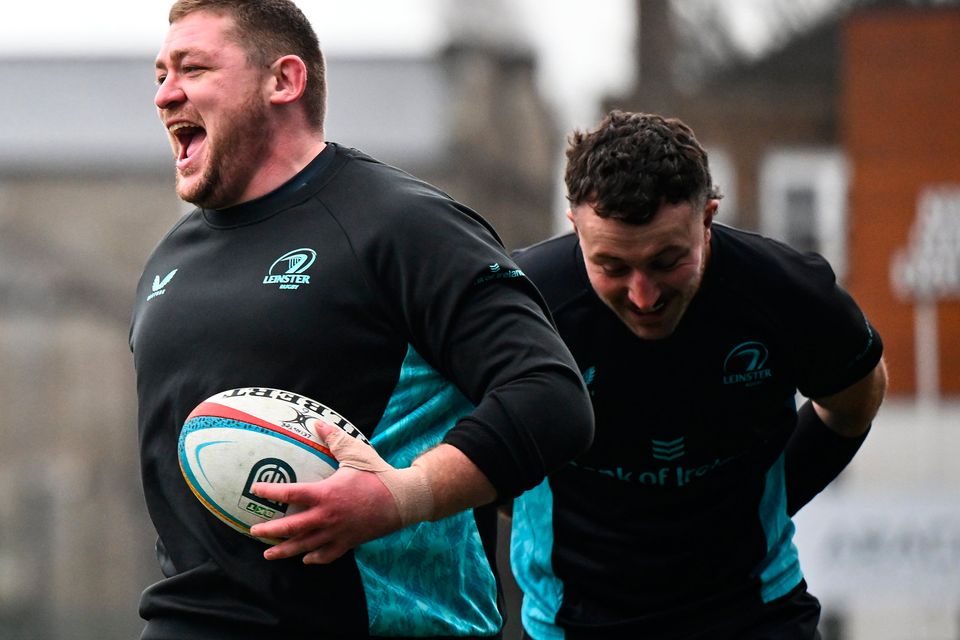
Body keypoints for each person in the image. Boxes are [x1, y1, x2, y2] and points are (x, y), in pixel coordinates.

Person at [129, 1, 594, 638]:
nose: (166, 93)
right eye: (160, 74)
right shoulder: (166, 263)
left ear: (283, 81)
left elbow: (552, 398)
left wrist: (399, 497)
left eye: (194, 67)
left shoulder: (405, 227)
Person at [509, 110, 888, 639]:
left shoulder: (785, 292)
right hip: (575, 621)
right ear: (575, 228)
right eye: (613, 266)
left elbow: (857, 398)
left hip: (755, 611)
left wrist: (773, 492)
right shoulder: (523, 303)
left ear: (707, 219)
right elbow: (462, 436)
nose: (643, 295)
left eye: (667, 261)